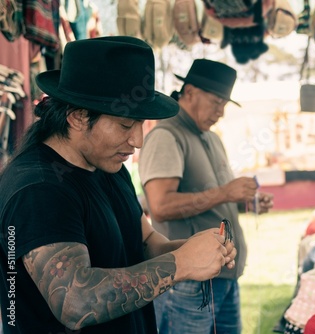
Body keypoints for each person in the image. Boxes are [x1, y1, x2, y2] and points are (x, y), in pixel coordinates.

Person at [0, 36, 236, 334]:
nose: (137, 140)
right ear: (78, 117)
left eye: (140, 125)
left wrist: (194, 249)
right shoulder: (38, 188)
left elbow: (146, 243)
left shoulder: (108, 166)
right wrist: (182, 263)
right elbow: (75, 302)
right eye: (126, 125)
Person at [138, 58, 274, 334]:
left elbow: (215, 198)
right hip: (188, 280)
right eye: (216, 102)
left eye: (224, 104)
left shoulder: (211, 137)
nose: (220, 112)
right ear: (189, 92)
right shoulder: (167, 135)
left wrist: (245, 203)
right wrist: (225, 192)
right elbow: (160, 206)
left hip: (222, 275)